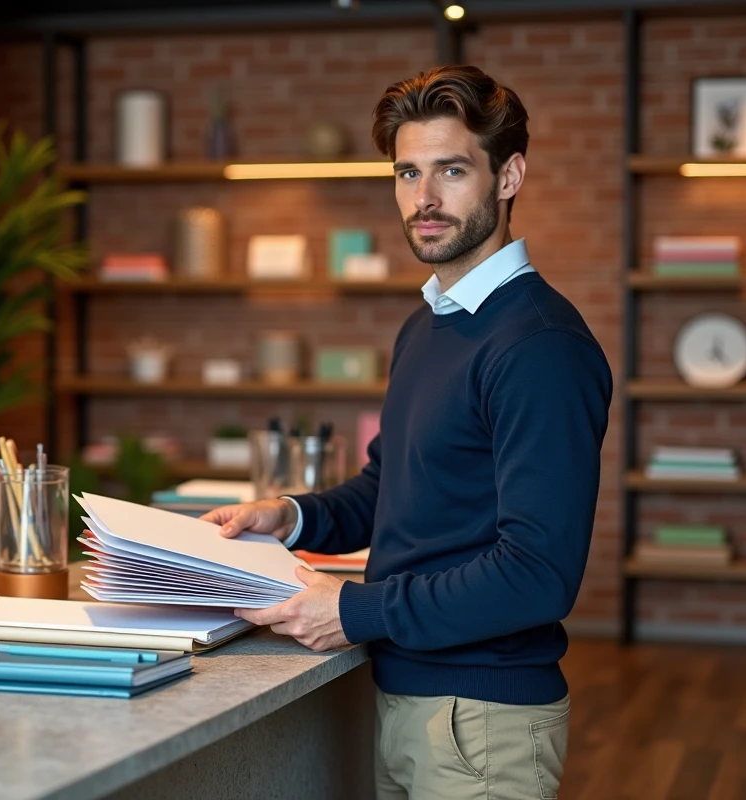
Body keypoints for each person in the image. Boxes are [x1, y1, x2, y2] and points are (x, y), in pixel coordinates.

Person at [203, 64, 613, 799]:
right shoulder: (428, 325)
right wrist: (289, 516)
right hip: (412, 703)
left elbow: (539, 576)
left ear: (509, 176)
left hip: (484, 723)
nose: (423, 199)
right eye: (407, 173)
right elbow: (389, 486)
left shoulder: (540, 345)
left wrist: (354, 610)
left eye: (451, 171)